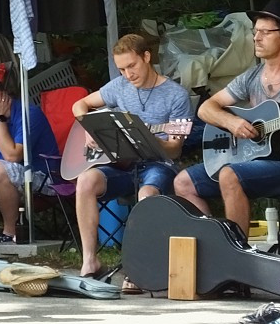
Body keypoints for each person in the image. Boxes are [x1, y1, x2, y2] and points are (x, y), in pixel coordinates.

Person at [174, 0, 280, 235]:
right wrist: (233, 121)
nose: (256, 37)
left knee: (229, 174)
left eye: (264, 32)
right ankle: (213, 241)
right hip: (254, 157)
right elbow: (206, 109)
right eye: (255, 31)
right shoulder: (251, 76)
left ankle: (237, 251)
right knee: (183, 182)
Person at [73, 33, 192, 282]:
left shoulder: (176, 95)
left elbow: (176, 147)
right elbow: (80, 105)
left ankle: (140, 267)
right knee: (85, 181)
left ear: (146, 57)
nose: (128, 75)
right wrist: (88, 128)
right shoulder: (119, 86)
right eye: (122, 69)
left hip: (158, 163)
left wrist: (152, 140)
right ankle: (90, 260)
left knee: (146, 194)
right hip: (122, 164)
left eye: (132, 66)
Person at [0, 67, 60, 249]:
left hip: (41, 178)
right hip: (2, 177)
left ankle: (10, 233)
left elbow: (12, 155)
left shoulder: (28, 114)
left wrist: (0, 119)